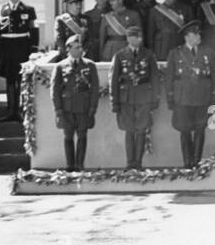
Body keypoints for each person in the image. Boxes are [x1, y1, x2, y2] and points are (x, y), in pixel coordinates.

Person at [165, 20, 215, 168]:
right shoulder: (175, 53)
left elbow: (214, 76)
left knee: (200, 130)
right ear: (188, 37)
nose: (199, 36)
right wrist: (170, 98)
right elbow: (169, 77)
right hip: (183, 98)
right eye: (196, 34)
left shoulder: (208, 52)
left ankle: (197, 161)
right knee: (184, 130)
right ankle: (187, 162)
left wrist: (214, 96)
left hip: (203, 96)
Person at [111, 25, 160, 170]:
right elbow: (114, 80)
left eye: (140, 37)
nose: (139, 39)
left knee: (141, 130)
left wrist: (155, 98)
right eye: (135, 37)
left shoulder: (148, 54)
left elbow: (154, 78)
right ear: (128, 38)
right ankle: (129, 163)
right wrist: (115, 102)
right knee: (129, 130)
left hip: (144, 96)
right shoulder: (120, 55)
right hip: (125, 97)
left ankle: (138, 163)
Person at [51, 34, 100, 172]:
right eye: (77, 47)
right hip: (67, 108)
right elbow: (55, 90)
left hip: (84, 108)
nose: (80, 49)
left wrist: (92, 107)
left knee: (82, 136)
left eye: (81, 47)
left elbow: (95, 88)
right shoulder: (60, 66)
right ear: (69, 49)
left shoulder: (89, 65)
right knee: (68, 136)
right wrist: (58, 110)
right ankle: (69, 165)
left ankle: (80, 165)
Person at [0, 0, 38, 121]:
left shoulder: (28, 9)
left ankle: (20, 110)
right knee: (10, 79)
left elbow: (34, 30)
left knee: (21, 79)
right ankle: (11, 110)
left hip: (22, 47)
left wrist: (34, 49)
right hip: (6, 47)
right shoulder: (1, 10)